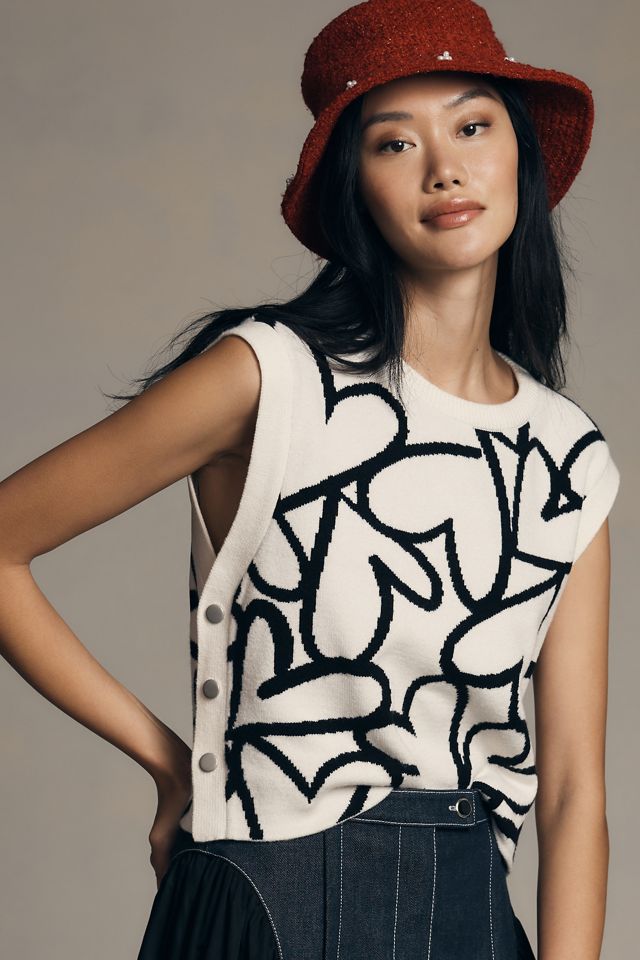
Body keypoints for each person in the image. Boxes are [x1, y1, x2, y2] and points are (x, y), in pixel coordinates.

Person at [0, 1, 620, 958]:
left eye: (472, 126)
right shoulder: (270, 378)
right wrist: (175, 763)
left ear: (520, 155)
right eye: (394, 143)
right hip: (263, 899)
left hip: (468, 923)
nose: (444, 168)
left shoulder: (565, 460)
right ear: (353, 187)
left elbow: (575, 794)